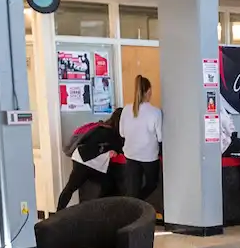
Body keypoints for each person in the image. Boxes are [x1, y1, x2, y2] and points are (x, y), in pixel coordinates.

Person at [56, 108, 122, 212]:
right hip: (87, 162)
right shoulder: (111, 133)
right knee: (108, 185)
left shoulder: (101, 126)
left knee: (71, 188)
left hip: (81, 158)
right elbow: (120, 148)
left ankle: (58, 213)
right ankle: (98, 211)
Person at [119, 75, 164, 208]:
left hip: (131, 154)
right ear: (149, 91)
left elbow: (122, 133)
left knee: (132, 189)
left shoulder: (126, 109)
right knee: (152, 184)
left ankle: (132, 208)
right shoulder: (155, 112)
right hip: (149, 157)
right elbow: (160, 137)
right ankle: (137, 205)